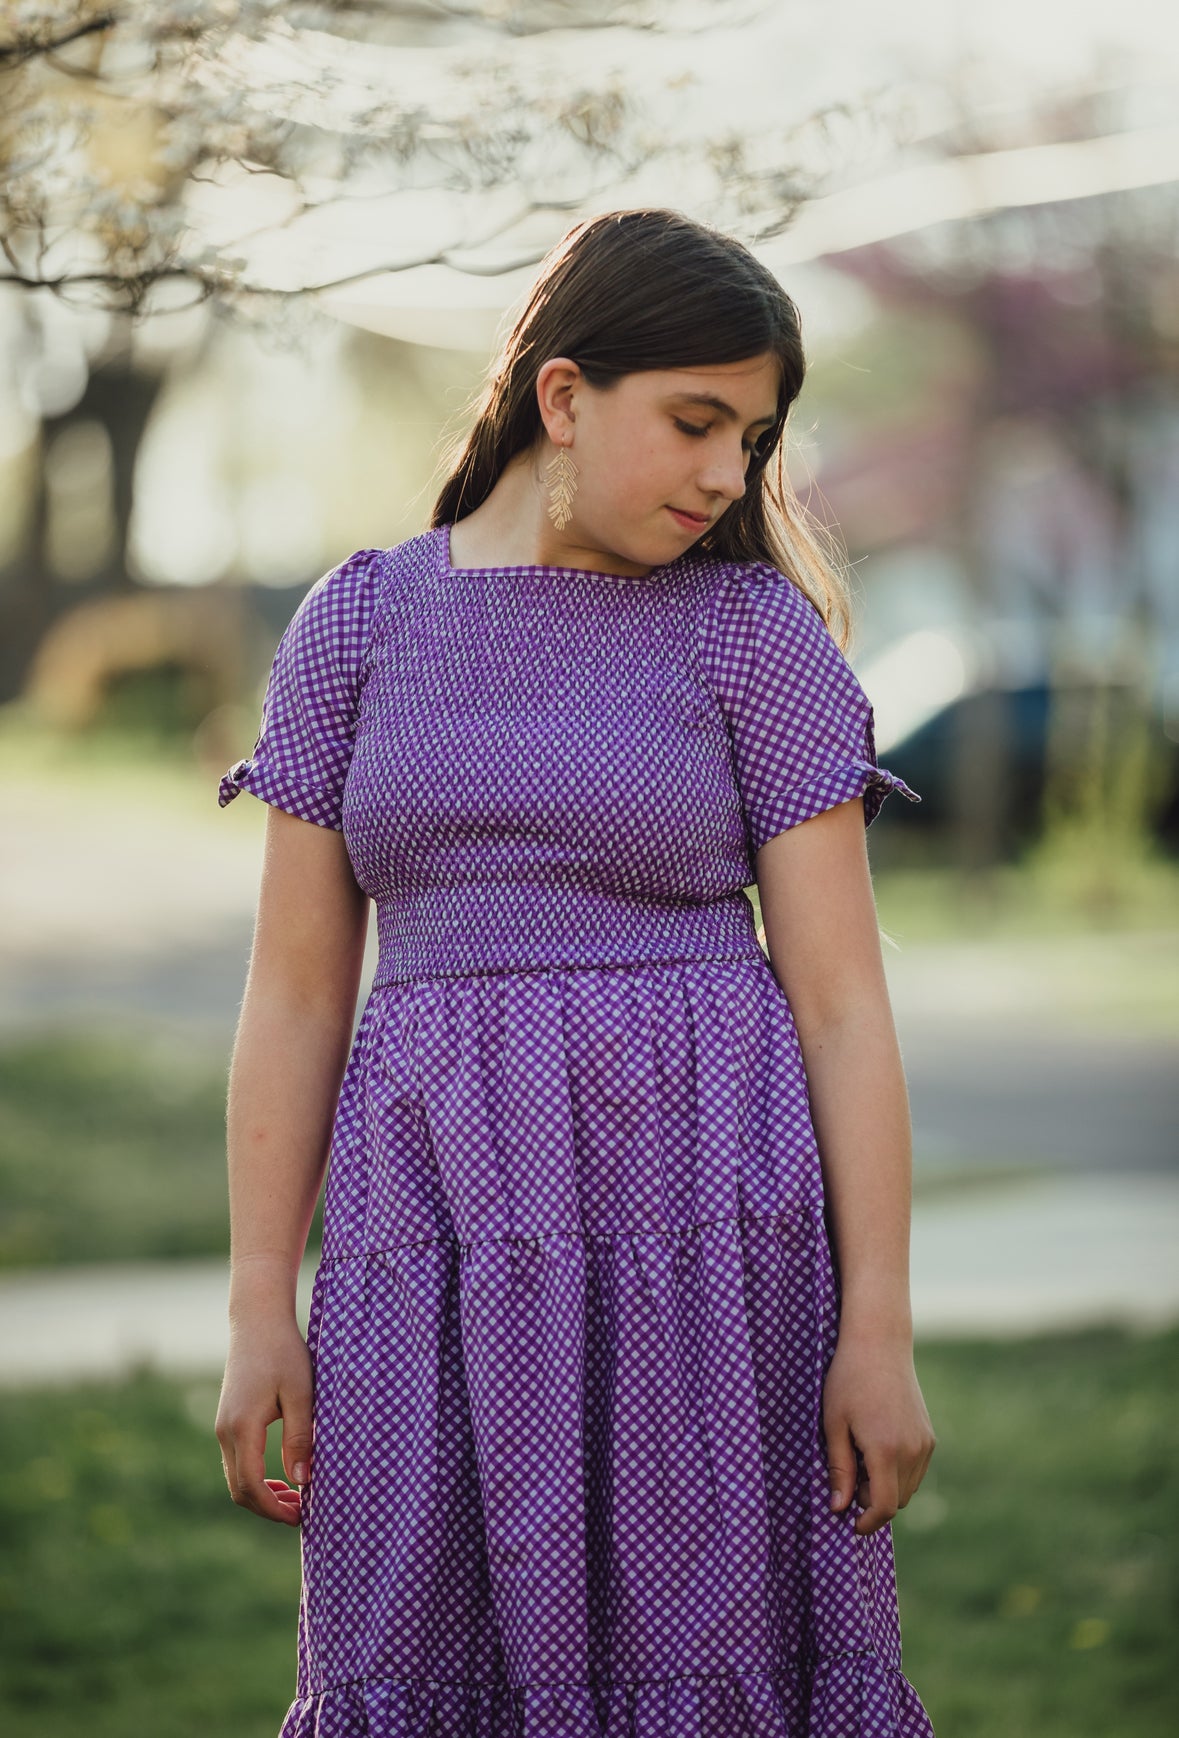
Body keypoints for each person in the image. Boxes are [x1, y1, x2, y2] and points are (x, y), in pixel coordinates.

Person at [215, 206, 938, 1737]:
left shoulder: (754, 639)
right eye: (694, 422)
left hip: (708, 1253)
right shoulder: (358, 626)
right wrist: (257, 1304)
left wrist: (876, 1322)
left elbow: (842, 1003)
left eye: (753, 437)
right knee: (425, 1651)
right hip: (434, 1251)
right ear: (561, 395)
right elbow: (290, 997)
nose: (728, 477)